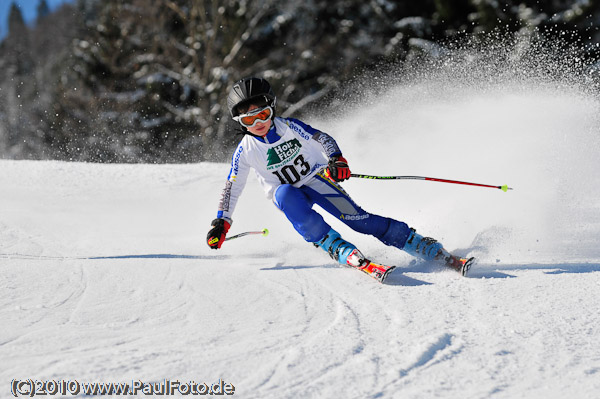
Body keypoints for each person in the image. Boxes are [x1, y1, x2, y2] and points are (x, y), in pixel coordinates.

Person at [207, 77, 472, 282]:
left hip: (316, 179)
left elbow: (322, 138)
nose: (258, 123)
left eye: (262, 114)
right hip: (287, 193)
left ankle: (420, 244)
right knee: (287, 195)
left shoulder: (290, 127)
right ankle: (334, 245)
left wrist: (336, 159)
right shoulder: (245, 151)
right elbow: (232, 186)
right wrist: (222, 221)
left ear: (272, 109)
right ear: (240, 123)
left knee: (360, 221)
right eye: (249, 119)